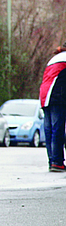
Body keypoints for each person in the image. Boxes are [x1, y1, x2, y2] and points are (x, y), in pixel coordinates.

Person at [40, 44, 66, 172]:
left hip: (45, 95)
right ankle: (57, 161)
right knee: (57, 129)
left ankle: (52, 161)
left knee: (49, 130)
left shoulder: (55, 58)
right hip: (57, 96)